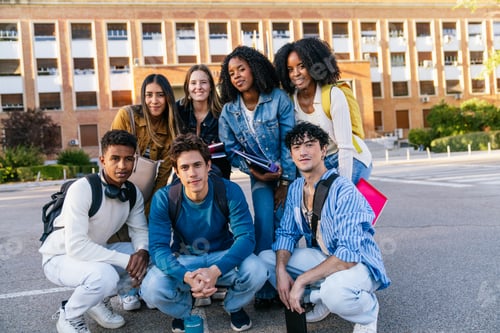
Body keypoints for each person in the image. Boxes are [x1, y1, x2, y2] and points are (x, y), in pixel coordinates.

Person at [259, 122, 390, 333]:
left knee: (334, 291)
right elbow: (286, 234)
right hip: (326, 256)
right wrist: (281, 269)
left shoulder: (343, 190)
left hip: (359, 264)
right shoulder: (295, 189)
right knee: (266, 260)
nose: (303, 151)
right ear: (291, 155)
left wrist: (301, 280)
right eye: (296, 146)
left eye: (310, 144)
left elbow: (348, 256)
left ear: (323, 150)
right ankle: (322, 297)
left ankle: (367, 312)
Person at [140, 133, 268, 333]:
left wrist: (215, 271)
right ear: (176, 172)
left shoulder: (229, 191)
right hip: (185, 259)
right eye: (185, 167)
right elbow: (158, 248)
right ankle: (182, 310)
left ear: (208, 166)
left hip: (222, 256)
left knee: (257, 269)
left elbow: (246, 238)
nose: (192, 173)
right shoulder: (165, 198)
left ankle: (233, 305)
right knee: (150, 288)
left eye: (197, 165)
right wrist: (186, 276)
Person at [39, 130, 149, 333]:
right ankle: (69, 314)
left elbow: (140, 230)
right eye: (115, 158)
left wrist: (142, 252)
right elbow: (77, 247)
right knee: (105, 276)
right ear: (102, 160)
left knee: (148, 259)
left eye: (128, 159)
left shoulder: (132, 193)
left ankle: (96, 302)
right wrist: (126, 261)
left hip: (95, 252)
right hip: (59, 258)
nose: (122, 166)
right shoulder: (83, 188)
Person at [218, 45, 296, 308]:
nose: (237, 76)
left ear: (255, 68)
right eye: (231, 72)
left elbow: (289, 140)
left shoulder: (278, 99)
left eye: (241, 68)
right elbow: (230, 150)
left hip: (288, 174)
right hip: (258, 176)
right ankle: (264, 290)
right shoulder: (229, 111)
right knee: (263, 223)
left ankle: (294, 284)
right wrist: (251, 170)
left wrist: (285, 182)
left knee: (286, 223)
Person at [274, 37, 372, 184]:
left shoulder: (333, 95)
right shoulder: (290, 100)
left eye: (301, 66)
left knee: (337, 200)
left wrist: (343, 187)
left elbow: (345, 147)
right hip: (320, 162)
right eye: (290, 69)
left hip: (350, 157)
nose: (296, 73)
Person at [111, 73, 181, 209]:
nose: (154, 101)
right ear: (143, 97)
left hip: (145, 195)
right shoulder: (126, 116)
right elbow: (112, 158)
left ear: (168, 97)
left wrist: (147, 211)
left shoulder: (170, 129)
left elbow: (162, 177)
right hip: (116, 190)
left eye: (160, 95)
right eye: (149, 95)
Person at [177, 64, 231, 179]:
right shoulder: (178, 111)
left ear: (211, 86)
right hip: (186, 173)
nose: (198, 87)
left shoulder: (223, 113)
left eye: (203, 82)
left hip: (216, 173)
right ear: (187, 87)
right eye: (193, 83)